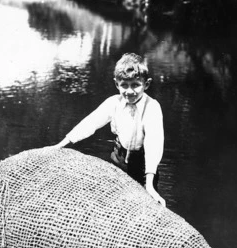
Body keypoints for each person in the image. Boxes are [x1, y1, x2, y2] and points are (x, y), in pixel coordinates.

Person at [53, 53, 165, 207]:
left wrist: (150, 184)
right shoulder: (114, 103)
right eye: (124, 85)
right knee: (114, 205)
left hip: (144, 167)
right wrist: (61, 144)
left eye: (135, 85)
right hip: (118, 160)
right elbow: (90, 123)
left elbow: (154, 144)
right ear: (116, 84)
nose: (130, 91)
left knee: (143, 207)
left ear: (146, 84)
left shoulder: (152, 107)